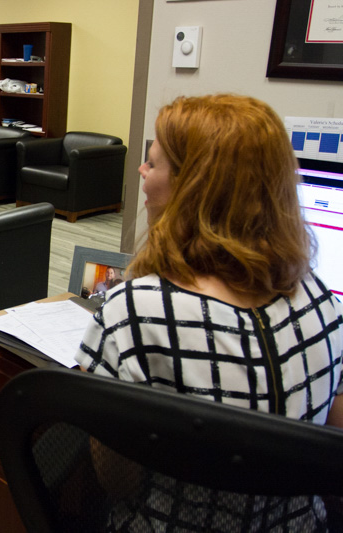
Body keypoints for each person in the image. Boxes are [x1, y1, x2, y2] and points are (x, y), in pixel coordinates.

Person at [75, 94, 343, 530]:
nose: (141, 171)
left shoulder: (137, 310)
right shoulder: (321, 298)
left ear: (191, 189)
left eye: (153, 163)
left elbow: (117, 480)